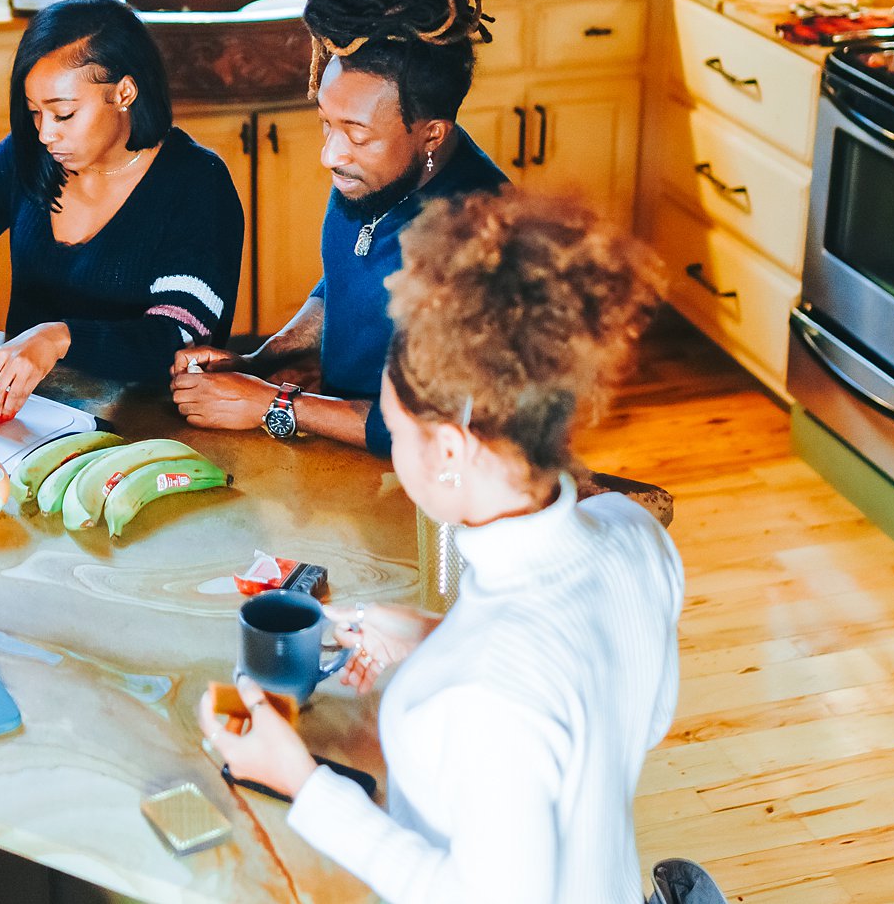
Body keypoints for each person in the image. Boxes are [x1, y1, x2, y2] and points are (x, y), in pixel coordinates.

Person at [198, 190, 683, 904]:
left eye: (395, 430)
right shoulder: (635, 536)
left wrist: (297, 778)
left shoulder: (484, 686)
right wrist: (437, 637)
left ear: (451, 449)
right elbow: (631, 715)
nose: (392, 452)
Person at [170, 0, 505, 452]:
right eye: (327, 122)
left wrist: (273, 406)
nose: (331, 155)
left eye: (357, 135)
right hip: (346, 452)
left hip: (429, 492)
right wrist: (265, 358)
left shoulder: (476, 244)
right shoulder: (378, 175)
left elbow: (434, 429)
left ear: (431, 133)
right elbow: (345, 285)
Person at [0, 0, 244, 413]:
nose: (44, 134)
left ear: (124, 92)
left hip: (147, 431)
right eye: (35, 113)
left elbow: (177, 337)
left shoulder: (197, 185)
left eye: (64, 114)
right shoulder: (33, 157)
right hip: (25, 415)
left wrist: (59, 337)